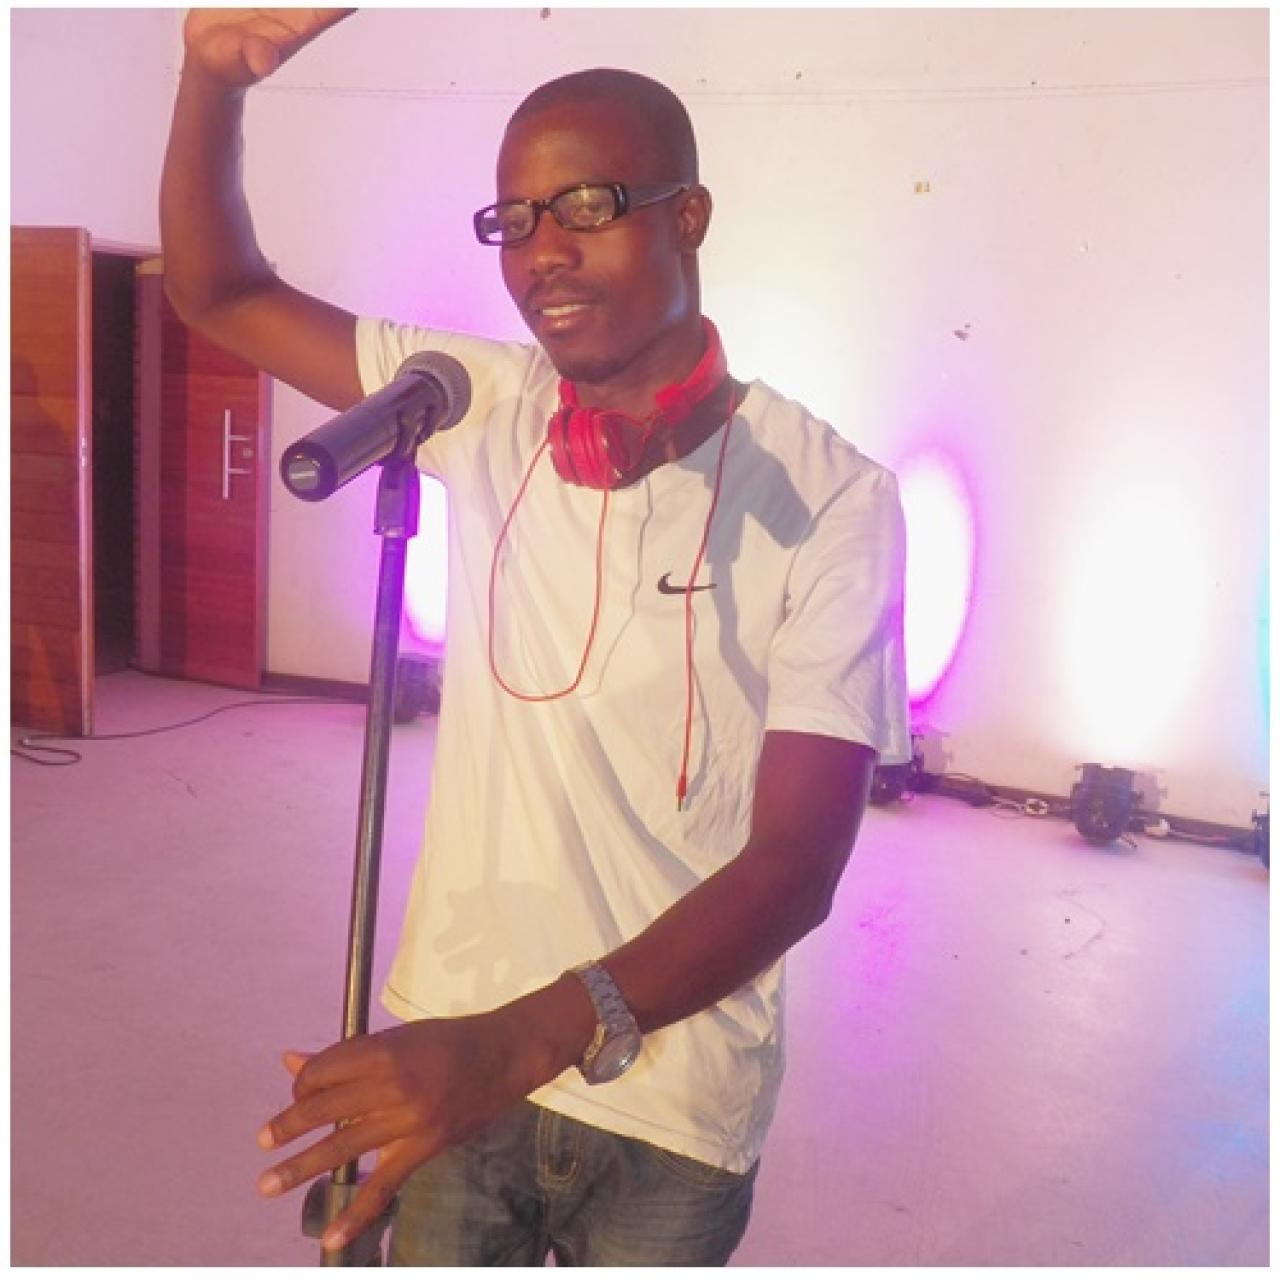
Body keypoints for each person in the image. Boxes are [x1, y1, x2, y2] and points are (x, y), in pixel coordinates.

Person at [161, 8, 910, 1266]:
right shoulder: (471, 402)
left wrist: (516, 1040)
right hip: (451, 1063)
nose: (541, 252)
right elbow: (218, 290)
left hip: (669, 1107)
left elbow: (796, 862)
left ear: (688, 215)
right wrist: (209, 80)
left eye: (586, 206)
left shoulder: (833, 495)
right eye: (512, 219)